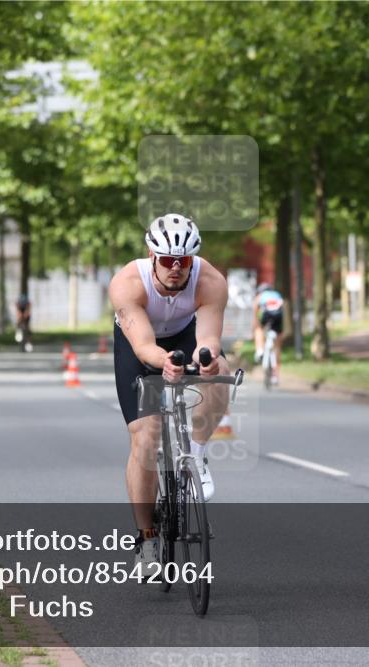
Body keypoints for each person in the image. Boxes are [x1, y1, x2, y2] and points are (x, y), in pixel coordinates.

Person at [109, 213, 231, 575]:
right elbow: (145, 345)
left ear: (193, 260)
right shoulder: (127, 283)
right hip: (139, 343)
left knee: (220, 372)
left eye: (184, 262)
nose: (176, 268)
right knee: (145, 437)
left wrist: (203, 361)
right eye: (167, 261)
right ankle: (146, 537)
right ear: (152, 255)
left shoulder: (211, 281)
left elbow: (207, 339)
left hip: (184, 333)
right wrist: (165, 363)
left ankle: (196, 455)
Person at [252, 283, 285, 384]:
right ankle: (275, 375)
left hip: (266, 314)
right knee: (277, 347)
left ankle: (260, 350)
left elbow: (255, 316)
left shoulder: (260, 296)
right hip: (278, 316)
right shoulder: (277, 295)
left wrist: (255, 328)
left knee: (259, 329)